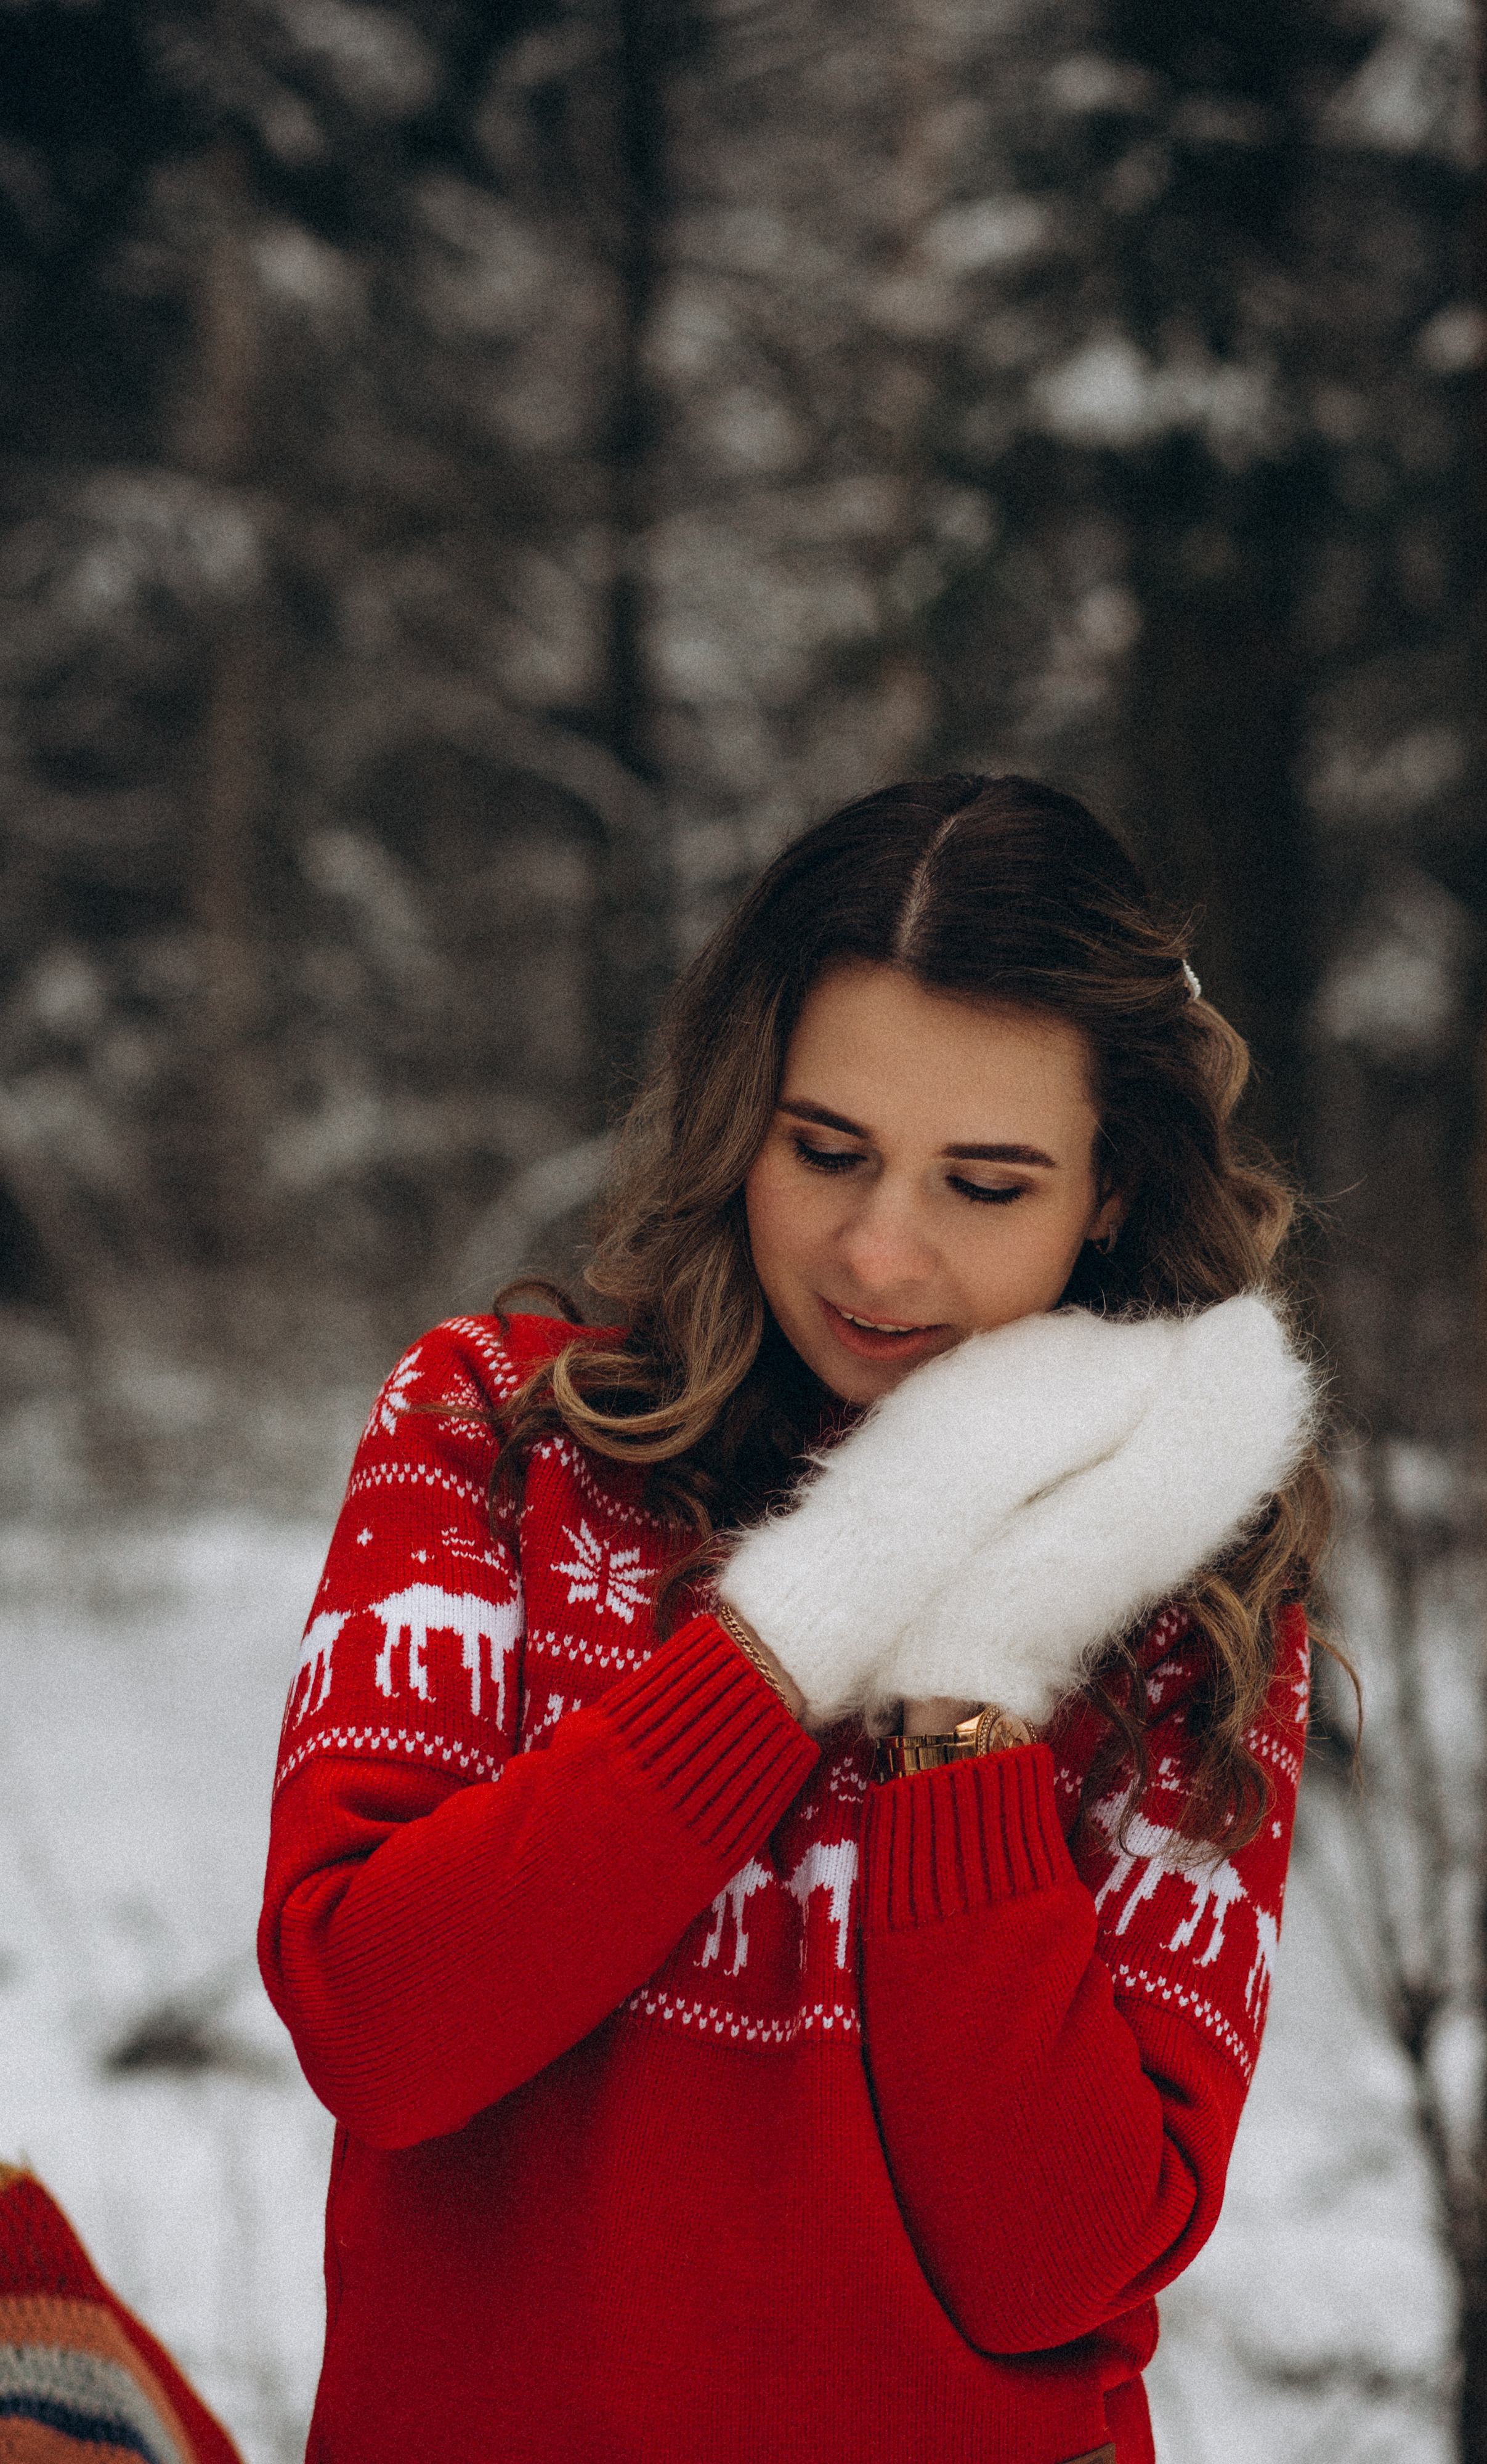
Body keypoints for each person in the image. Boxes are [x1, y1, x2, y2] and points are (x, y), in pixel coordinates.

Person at [259, 772, 1333, 2464]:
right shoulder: (495, 1430)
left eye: (986, 1186)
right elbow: (382, 2028)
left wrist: (973, 1676)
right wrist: (813, 1612)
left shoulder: (1182, 1586)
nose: (880, 1256)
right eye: (825, 1150)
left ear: (1111, 1190)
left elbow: (1058, 2264)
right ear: (742, 1110)